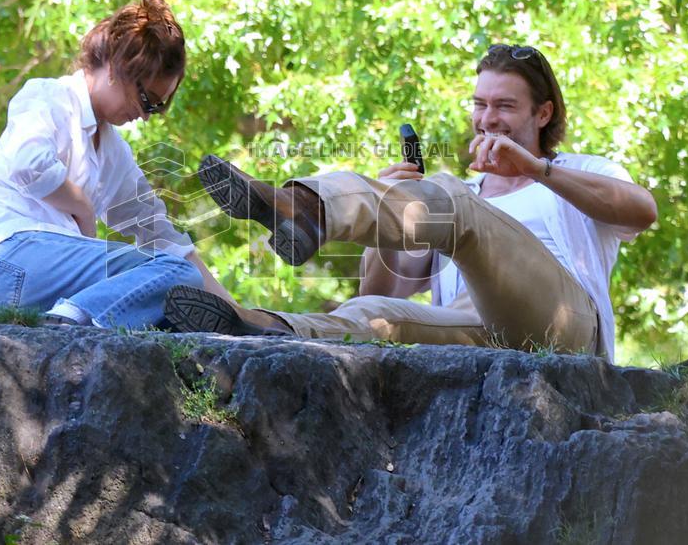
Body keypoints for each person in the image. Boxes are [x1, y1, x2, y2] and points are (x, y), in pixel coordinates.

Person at [162, 44, 658, 358]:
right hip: (476, 330)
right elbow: (385, 290)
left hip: (564, 326)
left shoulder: (580, 172)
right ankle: (254, 328)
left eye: (505, 106)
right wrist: (393, 205)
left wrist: (536, 169)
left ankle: (305, 206)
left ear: (543, 113)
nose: (488, 119)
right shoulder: (464, 197)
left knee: (451, 196)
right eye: (480, 104)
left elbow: (643, 211)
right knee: (373, 312)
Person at [0, 0, 230, 329]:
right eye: (146, 100)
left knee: (176, 298)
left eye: (156, 108)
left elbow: (158, 232)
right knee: (175, 277)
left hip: (37, 289)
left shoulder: (113, 151)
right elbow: (27, 163)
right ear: (117, 67)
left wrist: (236, 313)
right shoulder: (48, 97)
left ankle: (69, 319)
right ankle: (69, 325)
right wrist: (82, 207)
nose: (145, 116)